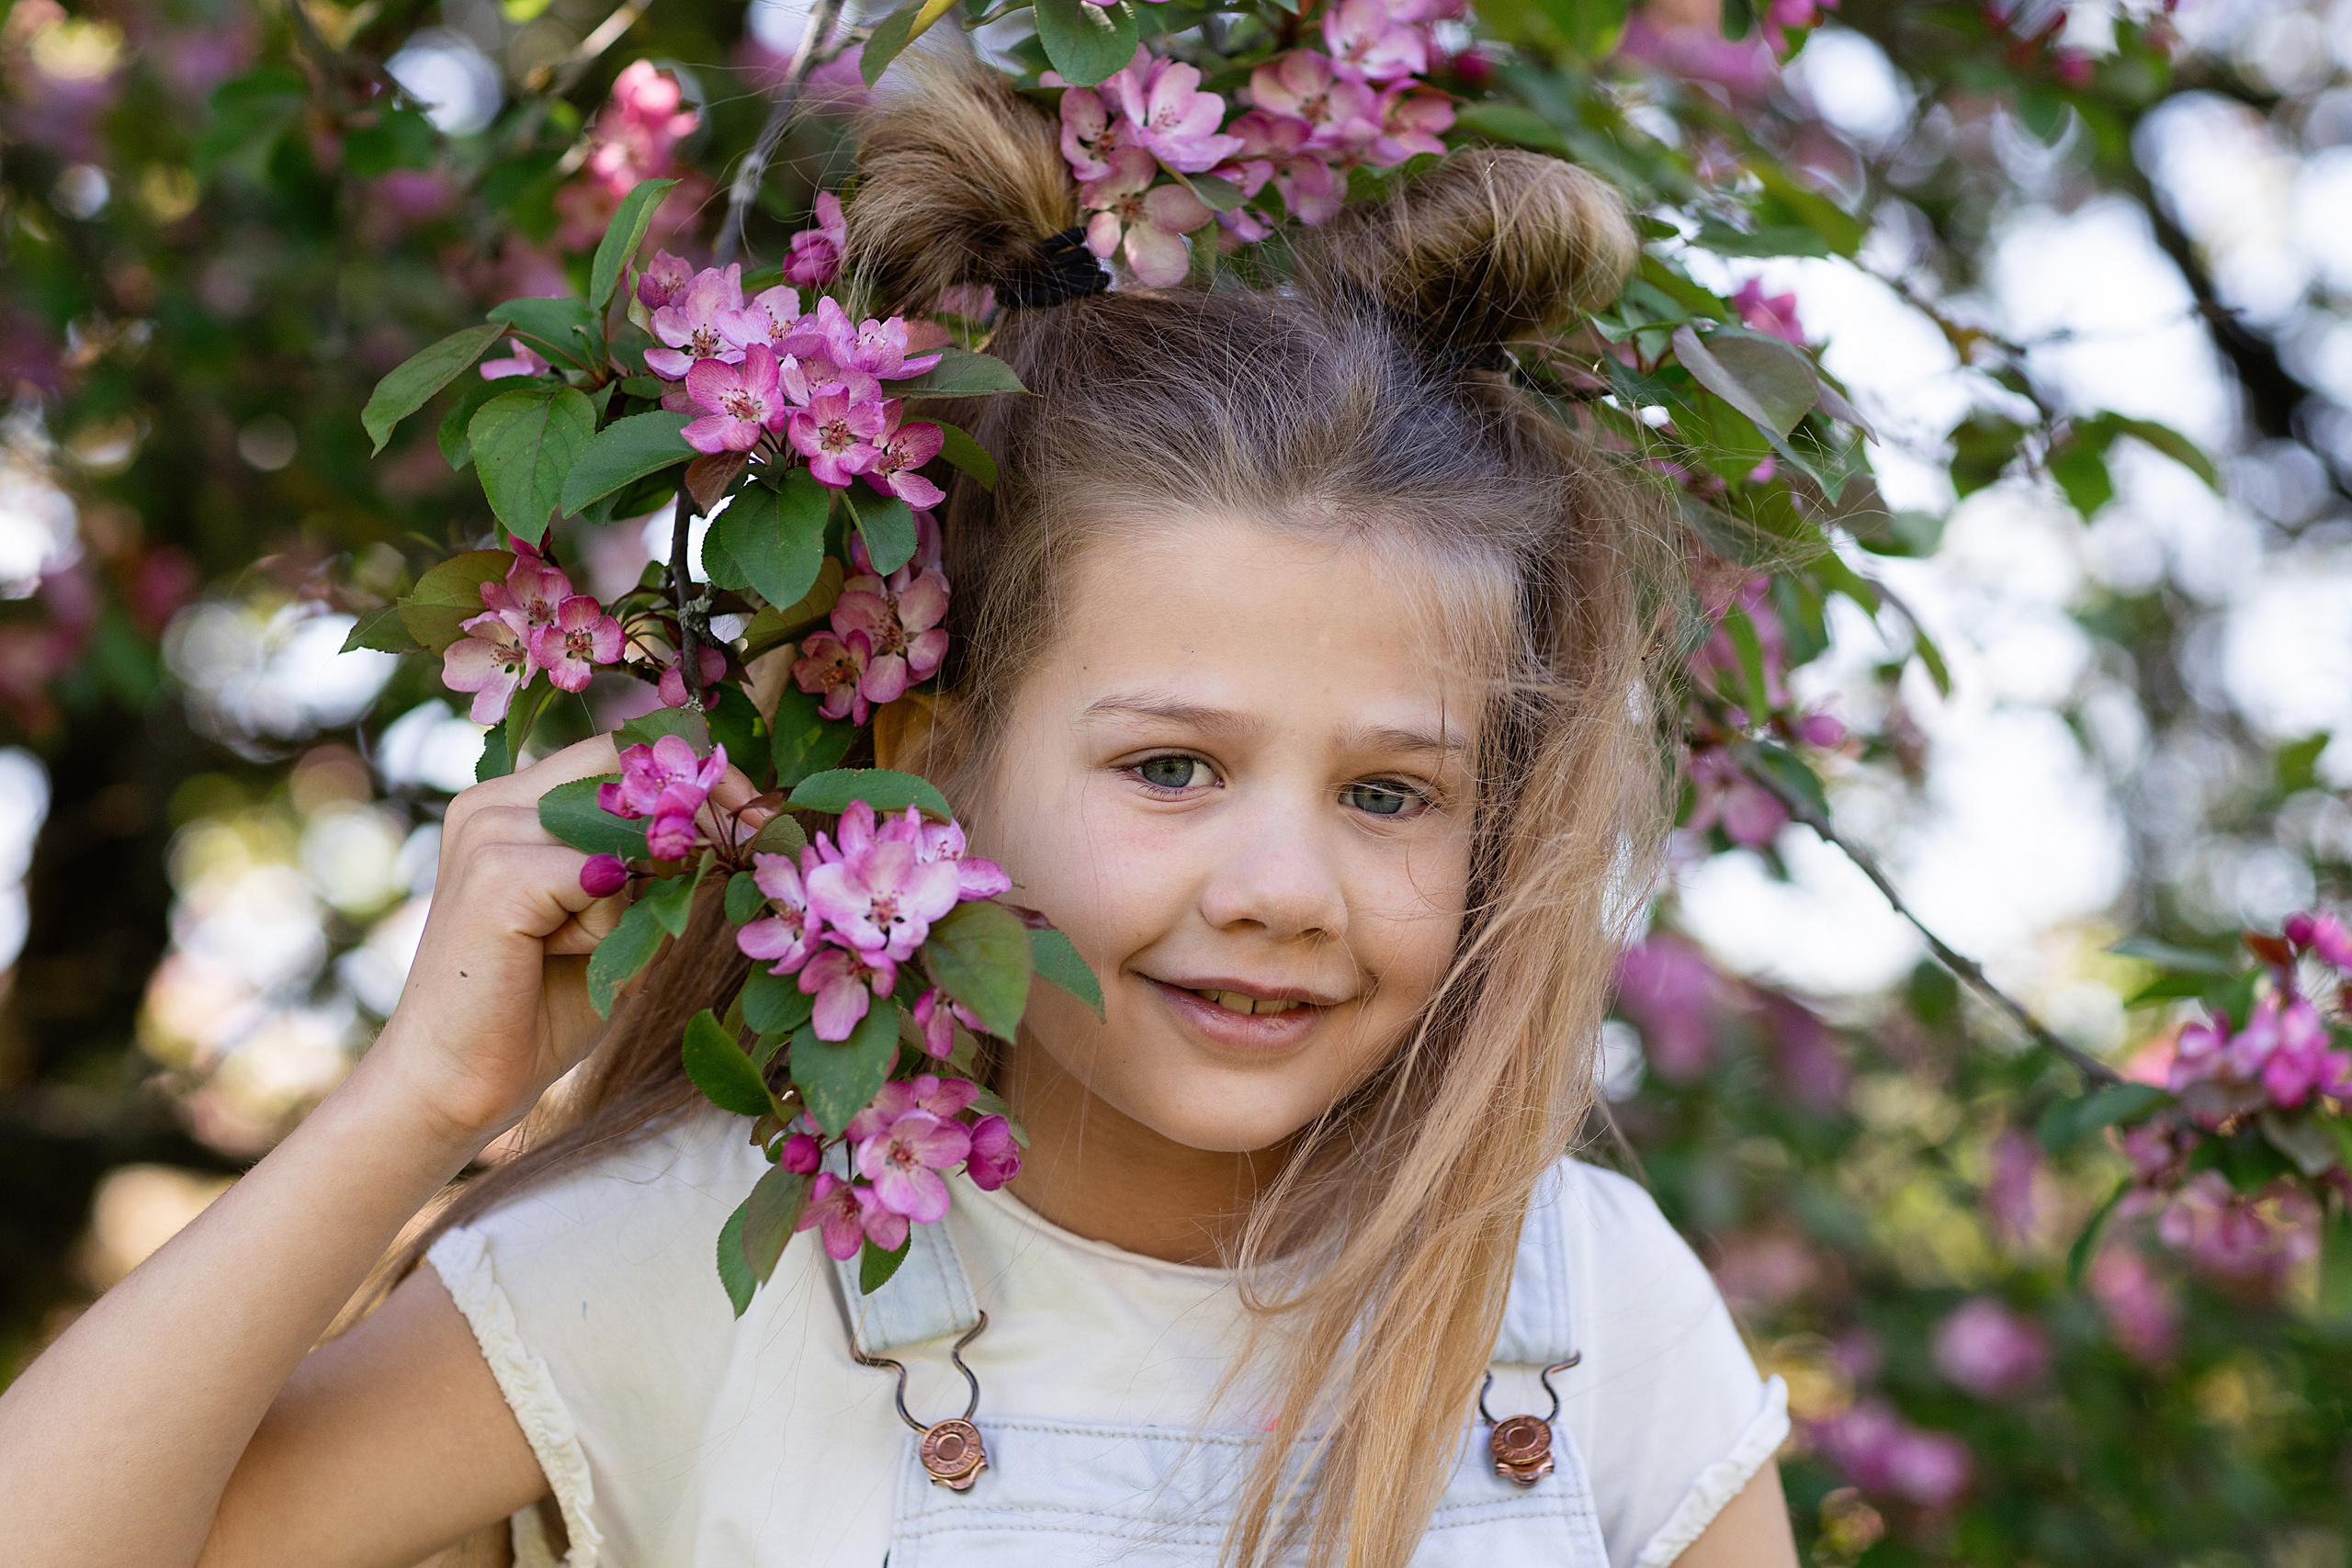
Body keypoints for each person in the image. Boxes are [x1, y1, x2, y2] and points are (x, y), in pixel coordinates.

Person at [0, 62, 1799, 1568]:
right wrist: (424, 1100)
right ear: (933, 762)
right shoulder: (714, 1264)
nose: (1280, 887)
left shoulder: (1580, 1308)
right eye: (1170, 766)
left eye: (1387, 791)